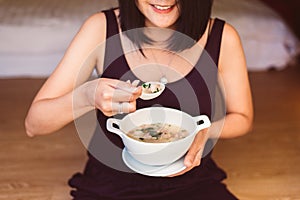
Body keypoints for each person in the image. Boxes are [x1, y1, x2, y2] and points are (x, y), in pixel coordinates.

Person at [25, 0, 253, 199]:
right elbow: (34, 125)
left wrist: (205, 131)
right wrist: (87, 95)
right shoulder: (100, 28)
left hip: (193, 182)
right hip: (109, 186)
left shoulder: (223, 36)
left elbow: (242, 118)